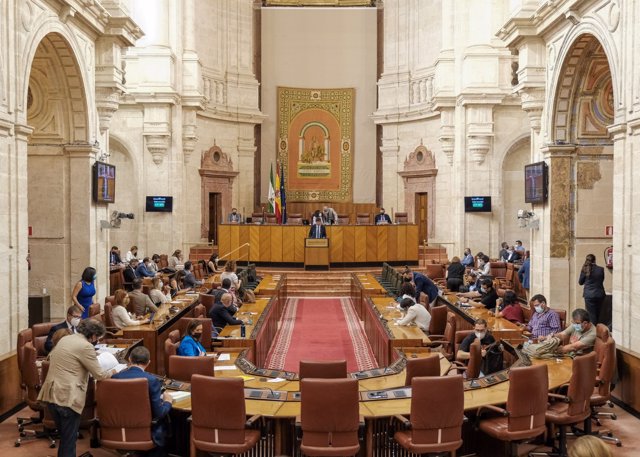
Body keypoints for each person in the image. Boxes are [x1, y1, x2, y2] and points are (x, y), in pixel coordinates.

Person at [38, 319, 115, 457]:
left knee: (65, 438)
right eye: (97, 337)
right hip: (67, 398)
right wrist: (114, 372)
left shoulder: (65, 339)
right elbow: (100, 375)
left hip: (51, 395)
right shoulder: (86, 346)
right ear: (92, 335)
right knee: (69, 440)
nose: (96, 340)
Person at [113, 346, 173, 456]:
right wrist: (168, 402)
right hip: (145, 432)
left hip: (118, 430)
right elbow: (159, 413)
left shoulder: (115, 377)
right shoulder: (151, 380)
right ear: (148, 362)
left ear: (130, 360)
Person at [578, 253, 606, 325]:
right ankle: (598, 330)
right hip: (600, 294)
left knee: (591, 314)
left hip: (589, 295)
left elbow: (580, 282)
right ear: (595, 260)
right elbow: (601, 280)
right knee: (598, 313)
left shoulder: (585, 269)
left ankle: (594, 331)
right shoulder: (601, 269)